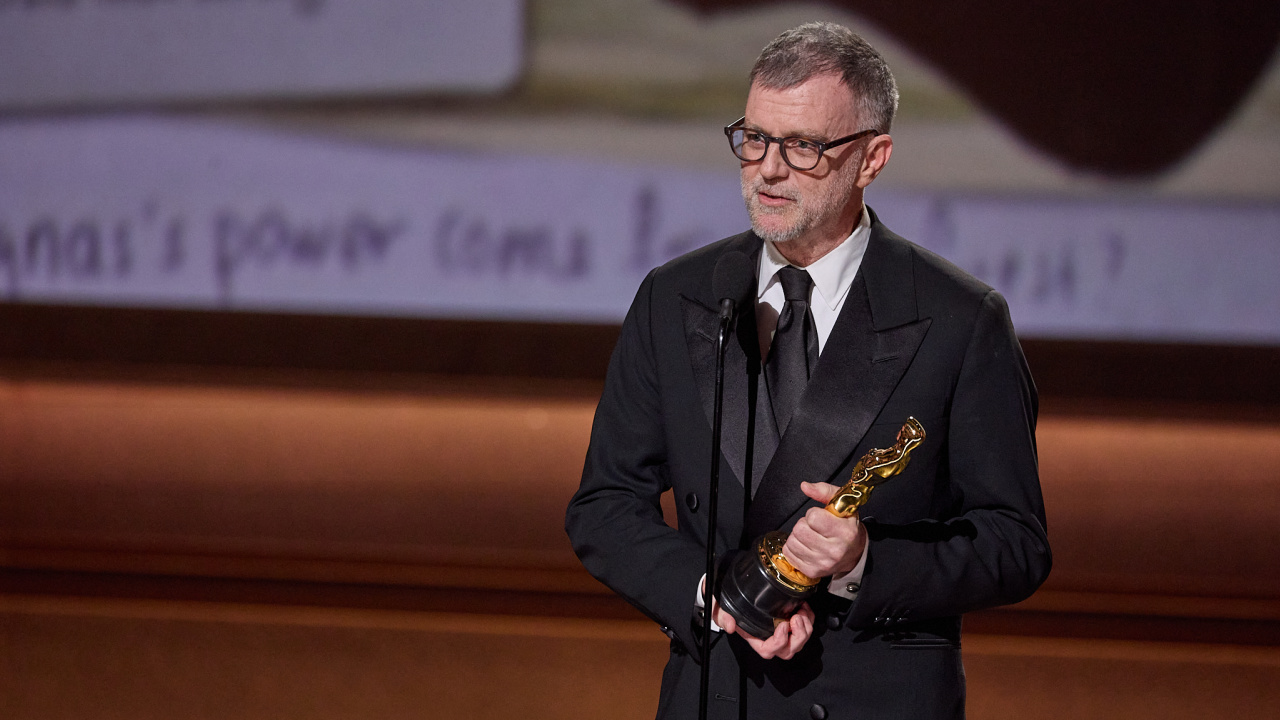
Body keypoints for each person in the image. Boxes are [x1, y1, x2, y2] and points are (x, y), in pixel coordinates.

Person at [565, 21, 1051, 720]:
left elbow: (1015, 544)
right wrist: (716, 597)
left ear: (873, 156)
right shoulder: (677, 297)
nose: (767, 168)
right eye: (755, 139)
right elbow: (604, 505)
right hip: (717, 693)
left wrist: (861, 563)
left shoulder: (959, 321)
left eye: (803, 147)